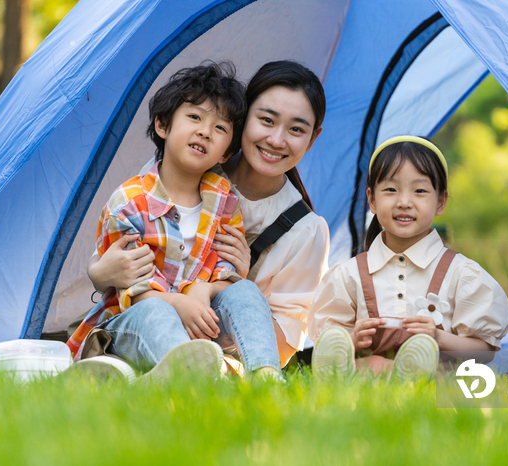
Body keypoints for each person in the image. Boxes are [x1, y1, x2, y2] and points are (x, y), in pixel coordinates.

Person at [88, 61, 331, 369]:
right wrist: (98, 272)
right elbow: (120, 239)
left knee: (243, 293)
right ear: (243, 121)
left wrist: (226, 285)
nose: (277, 140)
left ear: (313, 138)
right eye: (266, 120)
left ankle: (250, 380)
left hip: (225, 351)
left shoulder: (305, 231)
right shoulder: (183, 167)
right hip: (146, 322)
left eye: (296, 129)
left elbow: (284, 344)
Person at [308, 136, 508, 379]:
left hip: (433, 390)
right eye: (391, 190)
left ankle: (411, 377)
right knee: (368, 366)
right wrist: (353, 339)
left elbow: (485, 352)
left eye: (420, 191)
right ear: (372, 200)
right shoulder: (348, 275)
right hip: (364, 391)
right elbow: (327, 347)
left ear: (440, 202)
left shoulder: (461, 274)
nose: (404, 202)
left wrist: (438, 337)